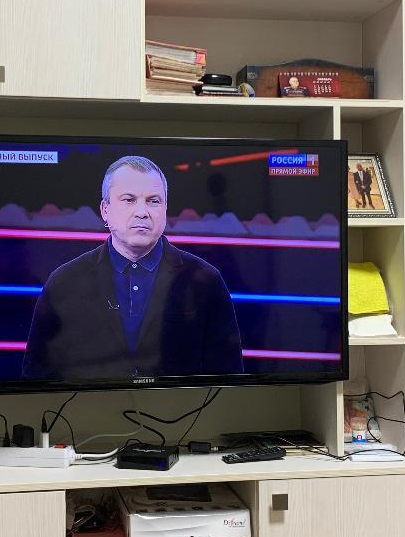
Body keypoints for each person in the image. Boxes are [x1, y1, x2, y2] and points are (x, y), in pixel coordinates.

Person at [22, 156, 244, 381]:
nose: (142, 212)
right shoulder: (64, 282)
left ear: (165, 208)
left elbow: (228, 379)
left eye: (153, 201)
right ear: (105, 210)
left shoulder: (205, 281)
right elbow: (36, 379)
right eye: (129, 200)